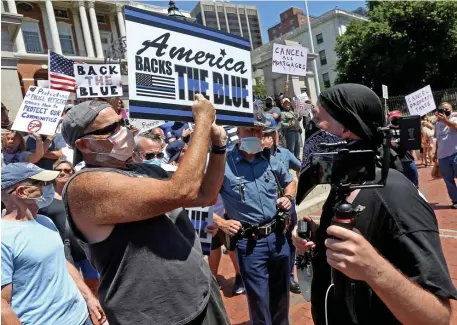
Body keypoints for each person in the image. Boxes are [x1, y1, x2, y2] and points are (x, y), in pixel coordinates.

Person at [292, 83, 457, 325]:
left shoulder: (395, 194)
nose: (312, 128)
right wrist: (320, 240)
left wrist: (374, 270)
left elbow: (439, 317)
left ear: (347, 129)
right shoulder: (348, 182)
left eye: (318, 120)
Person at [61, 97, 230, 325]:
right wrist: (202, 121)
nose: (122, 130)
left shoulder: (143, 169)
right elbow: (182, 191)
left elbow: (205, 195)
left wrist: (218, 147)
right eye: (110, 128)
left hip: (199, 294)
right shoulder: (84, 186)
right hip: (157, 316)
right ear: (83, 145)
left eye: (121, 122)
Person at [1, 162, 106, 325]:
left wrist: (89, 298)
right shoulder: (4, 237)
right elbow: (3, 306)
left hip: (81, 317)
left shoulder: (46, 221)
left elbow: (61, 262)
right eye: (41, 184)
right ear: (22, 192)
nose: (48, 187)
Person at [218, 115, 297, 325]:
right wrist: (221, 223)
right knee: (259, 300)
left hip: (278, 237)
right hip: (250, 243)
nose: (255, 135)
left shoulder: (269, 159)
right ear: (238, 132)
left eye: (258, 131)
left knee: (281, 295)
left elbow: (290, 181)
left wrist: (288, 198)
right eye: (249, 131)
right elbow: (200, 199)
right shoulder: (224, 165)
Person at [38, 157, 101, 297]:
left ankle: (96, 312)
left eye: (67, 170)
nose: (63, 173)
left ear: (73, 172)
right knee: (72, 286)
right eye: (59, 170)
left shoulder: (81, 195)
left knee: (93, 283)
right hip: (62, 252)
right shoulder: (44, 199)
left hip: (84, 247)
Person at [262, 116, 302, 295]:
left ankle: (290, 276)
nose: (271, 137)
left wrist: (297, 188)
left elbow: (300, 166)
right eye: (267, 134)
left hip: (287, 206)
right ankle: (274, 276)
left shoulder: (284, 153)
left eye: (273, 132)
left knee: (291, 241)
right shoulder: (256, 155)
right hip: (267, 208)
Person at [208, 195, 246, 295]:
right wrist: (209, 218)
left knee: (231, 246)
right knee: (211, 246)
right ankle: (212, 278)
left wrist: (222, 219)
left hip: (226, 213)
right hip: (205, 213)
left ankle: (240, 276)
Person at [434, 102, 457, 209]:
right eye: (442, 109)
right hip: (442, 157)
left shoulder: (454, 120)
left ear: (451, 109)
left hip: (455, 154)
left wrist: (446, 121)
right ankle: (455, 200)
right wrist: (435, 155)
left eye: (447, 109)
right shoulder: (437, 125)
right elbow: (438, 141)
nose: (445, 111)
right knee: (448, 180)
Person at [388, 110, 419, 188]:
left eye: (398, 118)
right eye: (394, 118)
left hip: (408, 160)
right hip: (394, 162)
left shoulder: (408, 128)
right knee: (398, 186)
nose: (396, 120)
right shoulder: (386, 130)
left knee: (414, 184)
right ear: (390, 119)